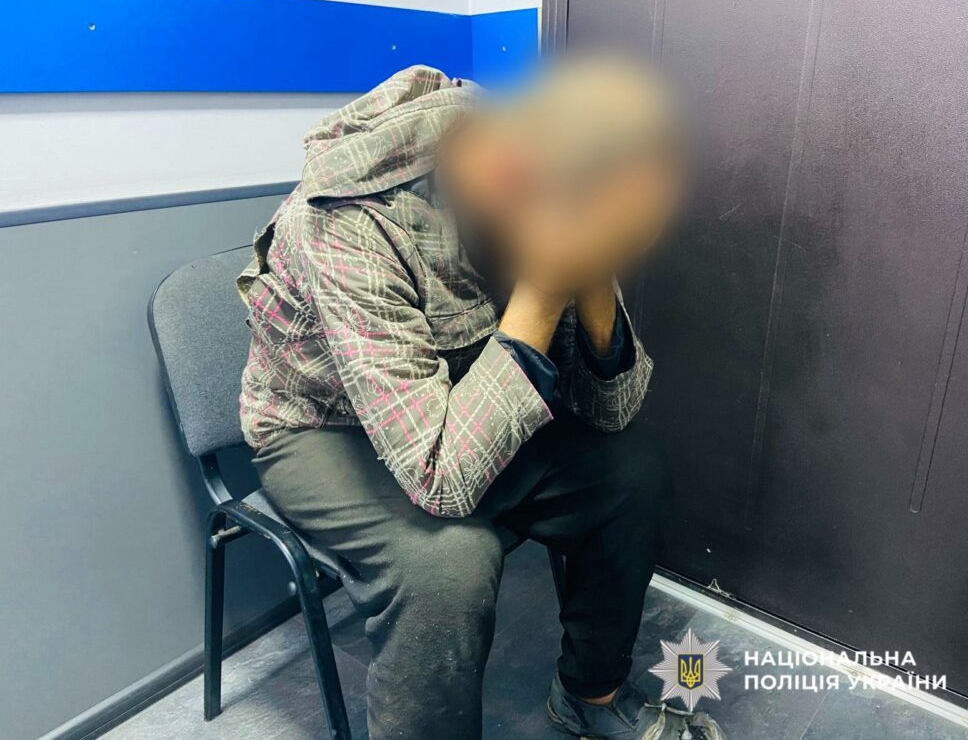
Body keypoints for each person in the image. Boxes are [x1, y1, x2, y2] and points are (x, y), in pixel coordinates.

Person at [237, 58, 724, 740]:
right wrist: (545, 285)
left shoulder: (553, 183)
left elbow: (610, 411)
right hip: (321, 429)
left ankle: (591, 692)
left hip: (451, 397)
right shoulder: (346, 220)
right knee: (445, 564)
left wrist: (588, 269)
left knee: (630, 469)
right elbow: (440, 478)